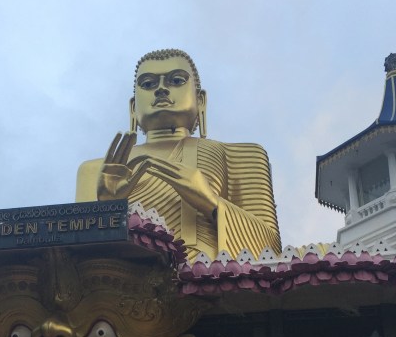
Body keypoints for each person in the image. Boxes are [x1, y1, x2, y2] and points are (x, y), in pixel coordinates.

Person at [76, 49, 281, 260]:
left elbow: (270, 248)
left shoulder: (240, 155)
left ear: (200, 100)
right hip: (127, 275)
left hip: (206, 273)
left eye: (176, 81)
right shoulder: (96, 171)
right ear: (133, 107)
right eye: (148, 84)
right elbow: (79, 257)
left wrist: (209, 202)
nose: (161, 89)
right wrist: (107, 209)